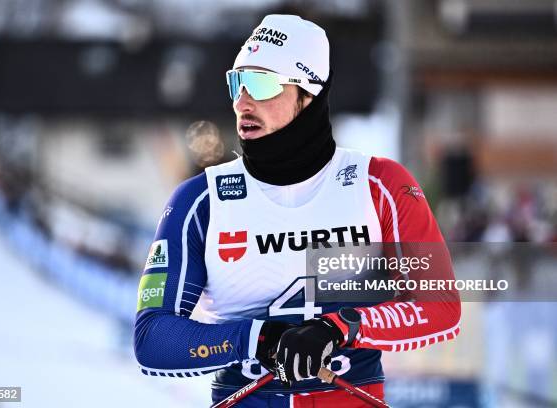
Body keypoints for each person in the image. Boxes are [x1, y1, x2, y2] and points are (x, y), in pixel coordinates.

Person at [134, 14, 461, 407]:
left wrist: (341, 327)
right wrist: (256, 339)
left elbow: (441, 307)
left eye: (260, 83)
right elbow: (152, 337)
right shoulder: (200, 201)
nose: (243, 101)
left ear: (308, 93)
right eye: (237, 83)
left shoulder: (380, 185)